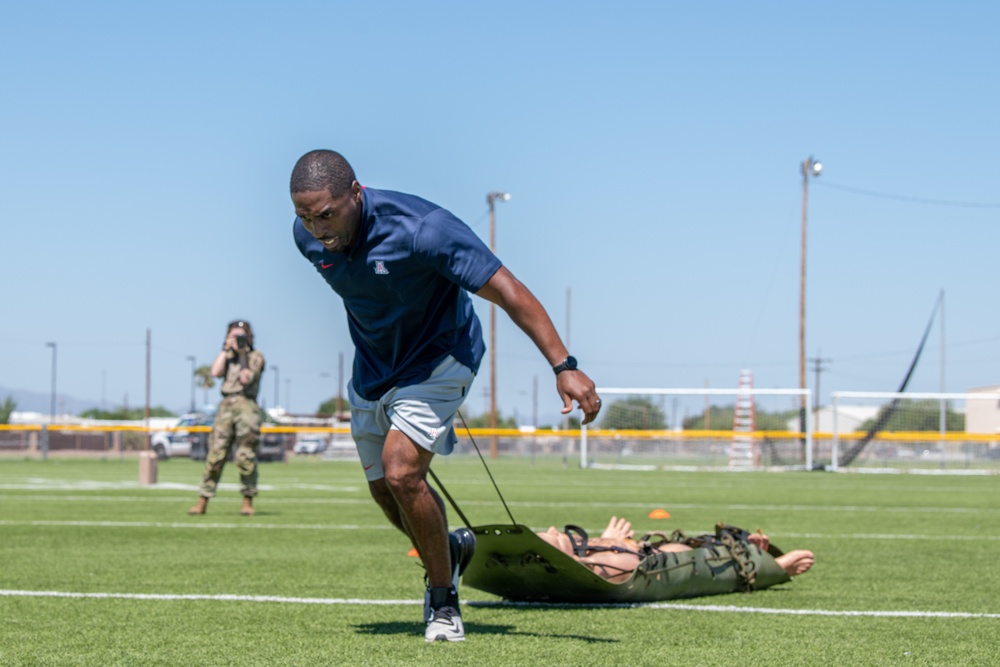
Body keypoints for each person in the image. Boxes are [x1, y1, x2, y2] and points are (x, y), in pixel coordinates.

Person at [289, 150, 602, 642]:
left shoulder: (424, 229)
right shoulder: (305, 239)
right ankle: (451, 552)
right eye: (304, 216)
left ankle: (442, 602)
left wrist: (564, 365)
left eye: (326, 214)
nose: (316, 228)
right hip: (372, 370)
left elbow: (508, 289)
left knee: (401, 470)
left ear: (356, 192)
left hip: (440, 357)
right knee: (384, 491)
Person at [536, 516, 815, 584]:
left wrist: (607, 541)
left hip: (614, 556)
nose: (551, 531)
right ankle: (770, 566)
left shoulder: (592, 554)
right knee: (674, 553)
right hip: (647, 559)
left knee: (673, 550)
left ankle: (760, 559)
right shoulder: (603, 566)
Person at [188, 320, 266, 517]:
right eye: (233, 335)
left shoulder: (255, 357)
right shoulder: (227, 356)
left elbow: (246, 378)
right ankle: (203, 499)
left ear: (249, 336)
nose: (237, 339)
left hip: (246, 405)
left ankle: (247, 500)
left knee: (245, 456)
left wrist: (242, 355)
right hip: (225, 406)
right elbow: (215, 373)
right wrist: (225, 349)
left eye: (241, 335)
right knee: (215, 454)